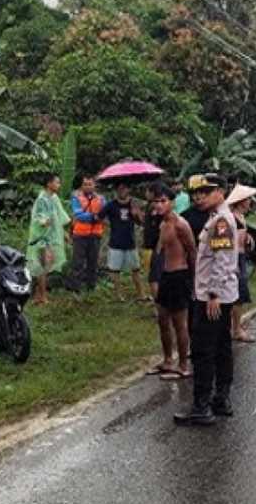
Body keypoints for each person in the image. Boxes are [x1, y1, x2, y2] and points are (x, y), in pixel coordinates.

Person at [174, 174, 239, 426]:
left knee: (203, 351)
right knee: (222, 347)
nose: (199, 197)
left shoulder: (221, 221)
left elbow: (221, 262)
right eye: (196, 193)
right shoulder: (218, 218)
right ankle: (220, 399)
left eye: (206, 191)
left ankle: (201, 406)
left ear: (220, 191)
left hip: (212, 297)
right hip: (222, 295)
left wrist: (213, 294)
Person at [149, 186, 196, 381]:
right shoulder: (162, 224)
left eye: (163, 201)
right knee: (162, 319)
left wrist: (193, 281)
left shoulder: (180, 224)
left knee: (179, 323)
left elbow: (192, 251)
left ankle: (184, 364)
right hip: (166, 276)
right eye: (156, 201)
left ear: (172, 202)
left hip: (180, 275)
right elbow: (160, 250)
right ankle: (168, 359)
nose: (159, 205)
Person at [27, 173, 71, 305]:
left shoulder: (54, 198)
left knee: (46, 265)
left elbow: (58, 217)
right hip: (42, 237)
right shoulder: (42, 199)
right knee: (44, 265)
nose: (59, 185)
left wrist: (64, 233)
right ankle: (42, 296)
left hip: (52, 236)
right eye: (56, 182)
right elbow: (38, 218)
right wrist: (44, 221)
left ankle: (37, 295)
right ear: (49, 184)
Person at [226, 184, 256, 342]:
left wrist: (248, 237)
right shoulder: (231, 217)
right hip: (234, 259)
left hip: (240, 257)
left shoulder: (240, 216)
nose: (250, 202)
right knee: (237, 295)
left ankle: (236, 326)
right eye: (247, 199)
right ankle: (236, 329)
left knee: (240, 295)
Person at [100, 183, 144, 301]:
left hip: (130, 241)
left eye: (124, 189)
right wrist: (108, 225)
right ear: (116, 191)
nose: (121, 191)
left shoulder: (133, 204)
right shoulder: (110, 205)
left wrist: (136, 214)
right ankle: (118, 295)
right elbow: (99, 217)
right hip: (115, 242)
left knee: (136, 269)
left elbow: (141, 222)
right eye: (119, 189)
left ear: (128, 190)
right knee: (115, 270)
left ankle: (141, 294)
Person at [68, 175, 106, 293]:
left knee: (93, 262)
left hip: (95, 234)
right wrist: (94, 217)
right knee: (77, 263)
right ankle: (76, 288)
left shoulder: (101, 199)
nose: (88, 186)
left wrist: (97, 217)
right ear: (81, 185)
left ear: (94, 185)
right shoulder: (76, 198)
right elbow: (78, 215)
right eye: (85, 184)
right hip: (80, 234)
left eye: (90, 184)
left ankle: (91, 287)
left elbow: (104, 213)